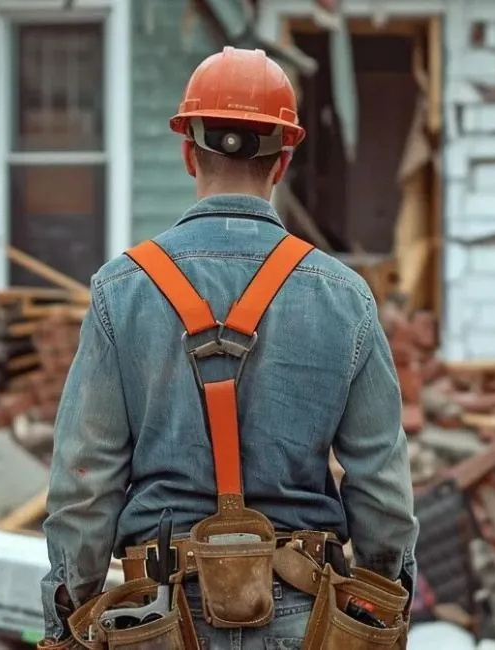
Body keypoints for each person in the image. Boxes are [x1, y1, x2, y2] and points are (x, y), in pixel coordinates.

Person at [38, 46, 419, 650]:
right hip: (304, 619)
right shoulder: (345, 297)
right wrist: (379, 604)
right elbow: (382, 486)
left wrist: (72, 611)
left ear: (189, 152)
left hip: (158, 622)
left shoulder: (124, 290)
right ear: (284, 161)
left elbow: (85, 481)